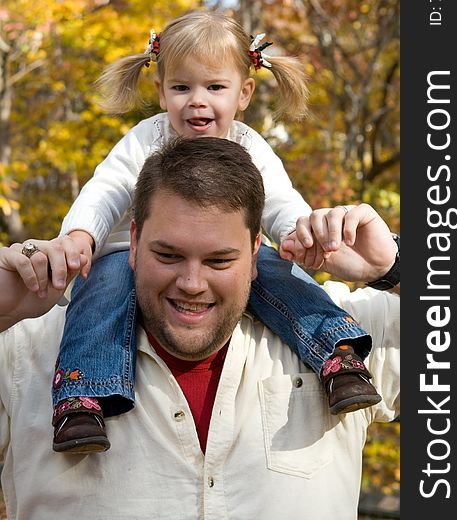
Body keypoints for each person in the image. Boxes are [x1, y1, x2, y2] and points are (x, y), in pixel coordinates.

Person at [0, 137, 399, 519]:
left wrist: (395, 266)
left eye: (219, 261)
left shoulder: (339, 334)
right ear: (134, 242)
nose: (192, 283)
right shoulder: (27, 353)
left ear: (257, 251)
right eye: (168, 254)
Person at [38, 10, 379, 454]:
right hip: (130, 255)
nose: (197, 101)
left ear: (244, 93)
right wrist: (81, 236)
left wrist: (299, 232)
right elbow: (105, 190)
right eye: (182, 87)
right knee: (101, 288)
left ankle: (336, 354)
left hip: (232, 254)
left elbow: (278, 198)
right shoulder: (146, 140)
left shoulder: (249, 145)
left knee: (280, 273)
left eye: (215, 87)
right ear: (161, 93)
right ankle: (83, 397)